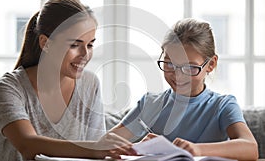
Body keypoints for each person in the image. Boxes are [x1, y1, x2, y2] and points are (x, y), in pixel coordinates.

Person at [0, 0, 135, 161]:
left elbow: (96, 151)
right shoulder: (9, 87)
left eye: (90, 45)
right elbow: (28, 145)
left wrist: (134, 151)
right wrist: (96, 149)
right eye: (74, 45)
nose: (85, 55)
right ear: (45, 43)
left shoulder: (90, 84)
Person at [110, 18, 259, 160]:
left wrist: (197, 149)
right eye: (169, 64)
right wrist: (134, 148)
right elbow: (107, 143)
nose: (178, 75)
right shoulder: (150, 103)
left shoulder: (223, 106)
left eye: (189, 67)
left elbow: (250, 148)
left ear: (211, 64)